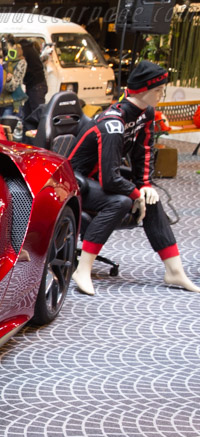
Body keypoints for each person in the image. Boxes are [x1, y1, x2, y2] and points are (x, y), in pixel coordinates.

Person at [67, 60, 199, 295]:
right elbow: (109, 179)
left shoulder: (145, 113)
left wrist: (145, 186)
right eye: (158, 91)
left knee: (152, 197)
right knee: (122, 201)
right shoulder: (112, 124)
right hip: (76, 183)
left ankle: (174, 271)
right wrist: (134, 193)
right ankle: (83, 269)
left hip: (101, 180)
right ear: (143, 91)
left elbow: (143, 152)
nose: (161, 95)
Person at [0, 36, 27, 119]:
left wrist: (9, 79)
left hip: (12, 103)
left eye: (5, 48)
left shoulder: (21, 62)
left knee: (8, 130)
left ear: (14, 47)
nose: (2, 51)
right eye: (0, 48)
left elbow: (13, 86)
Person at [19, 38, 47, 119]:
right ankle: (30, 130)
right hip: (36, 84)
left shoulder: (23, 51)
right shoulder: (28, 48)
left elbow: (21, 68)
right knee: (30, 115)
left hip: (36, 85)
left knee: (37, 115)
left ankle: (39, 131)